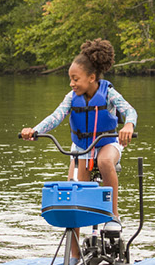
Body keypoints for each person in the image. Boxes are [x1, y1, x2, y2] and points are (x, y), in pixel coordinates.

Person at [20, 39, 137, 226]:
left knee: (105, 161)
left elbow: (129, 111)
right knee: (72, 199)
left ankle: (112, 216)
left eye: (76, 79)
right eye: (70, 79)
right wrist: (35, 130)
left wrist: (129, 125)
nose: (71, 84)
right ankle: (73, 255)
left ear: (91, 77)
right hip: (81, 148)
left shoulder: (109, 94)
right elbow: (56, 116)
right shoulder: (71, 98)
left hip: (107, 143)